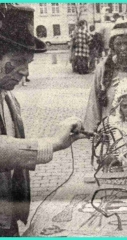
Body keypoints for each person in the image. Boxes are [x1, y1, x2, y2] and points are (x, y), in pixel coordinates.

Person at [0, 4, 83, 236]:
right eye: (17, 62)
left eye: (28, 64)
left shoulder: (9, 99)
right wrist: (54, 142)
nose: (25, 72)